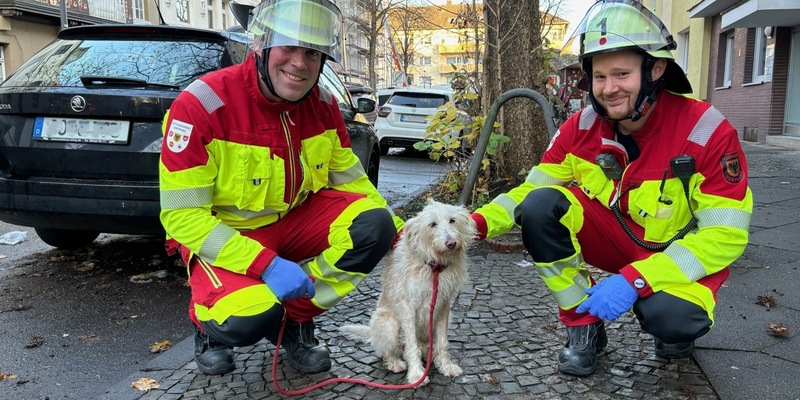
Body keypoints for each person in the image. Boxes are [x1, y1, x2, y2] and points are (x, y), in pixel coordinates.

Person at [470, 0, 752, 377]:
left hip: (676, 250)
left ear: (655, 70)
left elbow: (726, 235)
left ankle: (671, 329)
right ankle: (582, 326)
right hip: (614, 237)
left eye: (621, 74)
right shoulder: (581, 127)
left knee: (671, 318)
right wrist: (471, 225)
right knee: (540, 206)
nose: (608, 88)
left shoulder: (707, 130)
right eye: (599, 77)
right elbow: (530, 191)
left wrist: (637, 280)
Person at [158, 0, 402, 376]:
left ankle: (294, 323)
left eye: (312, 52)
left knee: (376, 226)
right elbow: (182, 217)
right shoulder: (201, 105)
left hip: (293, 224)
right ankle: (208, 328)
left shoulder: (322, 103)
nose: (300, 63)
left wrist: (404, 234)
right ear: (262, 45)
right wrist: (266, 265)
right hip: (228, 234)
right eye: (289, 47)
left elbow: (352, 183)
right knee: (246, 321)